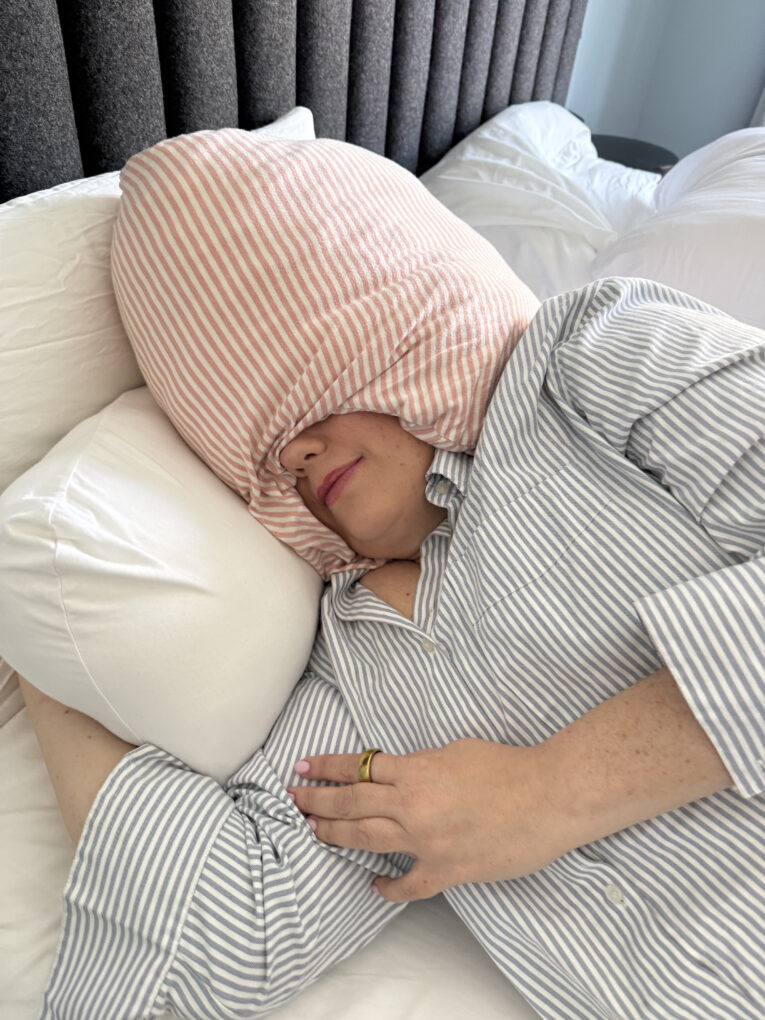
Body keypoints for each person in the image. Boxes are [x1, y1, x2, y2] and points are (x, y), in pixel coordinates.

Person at [20, 131, 764, 1020]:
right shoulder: (348, 656)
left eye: (299, 381)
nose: (289, 449)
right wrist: (33, 645)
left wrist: (546, 791)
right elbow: (230, 939)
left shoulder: (595, 357)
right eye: (251, 447)